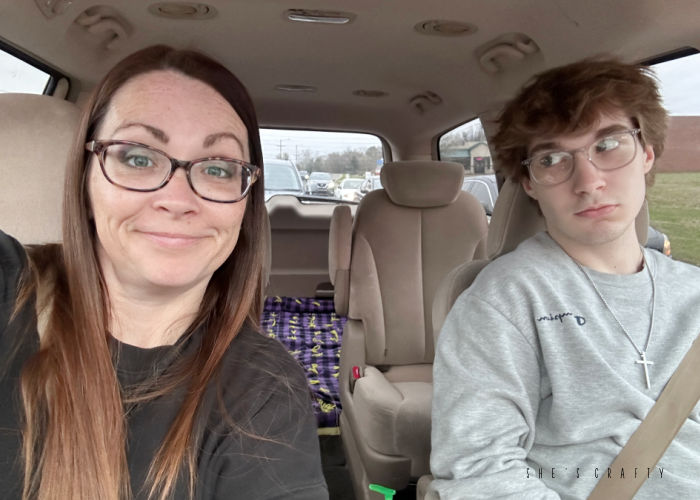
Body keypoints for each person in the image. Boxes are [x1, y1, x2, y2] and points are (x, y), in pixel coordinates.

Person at [0, 45, 328, 500]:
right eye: (138, 157)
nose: (177, 199)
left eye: (217, 168)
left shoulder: (262, 388)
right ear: (84, 177)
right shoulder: (8, 286)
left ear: (245, 201)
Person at [429, 59, 700, 498]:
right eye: (552, 158)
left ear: (646, 153)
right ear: (531, 183)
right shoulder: (503, 302)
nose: (588, 181)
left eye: (609, 145)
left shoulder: (694, 293)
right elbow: (481, 472)